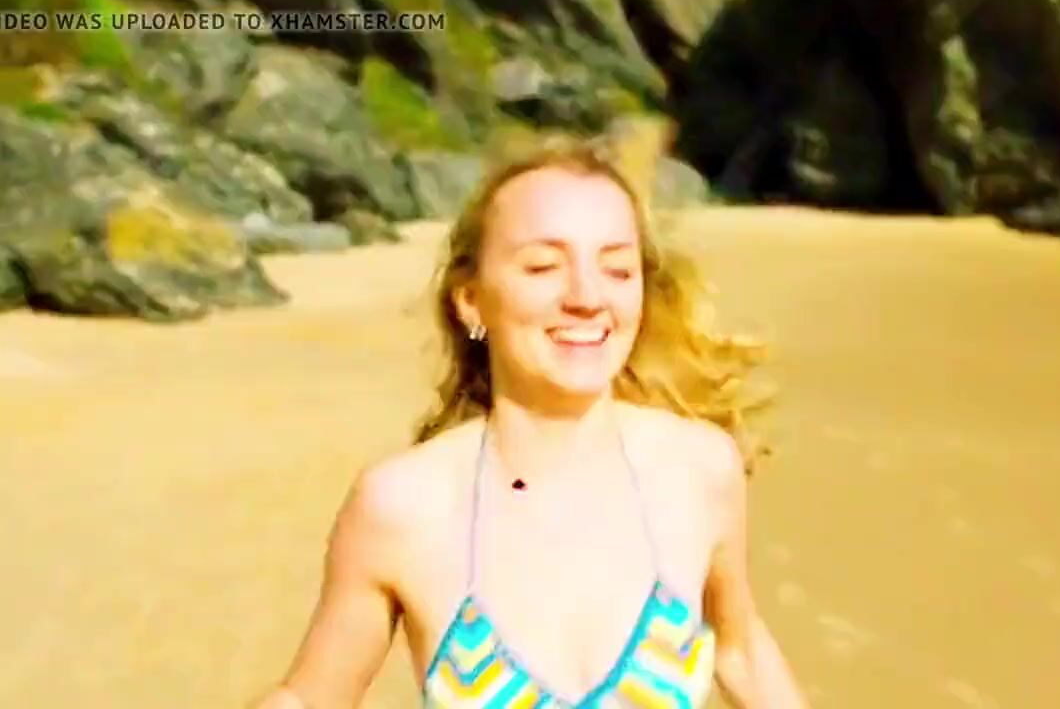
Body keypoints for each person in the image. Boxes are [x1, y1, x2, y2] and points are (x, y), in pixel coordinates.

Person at [256, 130, 810, 708]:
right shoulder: (404, 505)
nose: (587, 297)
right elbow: (308, 698)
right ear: (471, 300)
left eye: (618, 270)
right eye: (544, 267)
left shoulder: (697, 469)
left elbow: (741, 654)